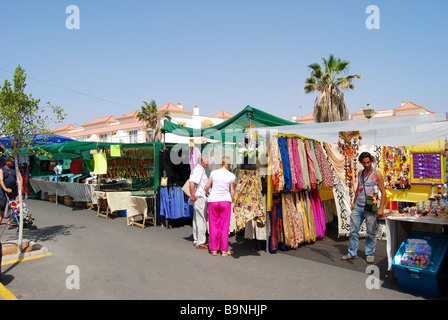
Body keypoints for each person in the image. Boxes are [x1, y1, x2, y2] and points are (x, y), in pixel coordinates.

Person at [341, 152, 386, 264]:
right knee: (353, 230)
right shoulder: (360, 173)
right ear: (361, 162)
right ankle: (352, 253)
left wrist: (381, 208)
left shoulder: (377, 175)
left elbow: (383, 192)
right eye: (364, 162)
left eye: (368, 162)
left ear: (371, 161)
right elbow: (358, 189)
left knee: (371, 232)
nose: (366, 164)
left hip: (371, 207)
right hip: (358, 206)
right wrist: (354, 202)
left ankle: (369, 254)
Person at [204, 156, 236, 257]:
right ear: (229, 164)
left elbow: (207, 186)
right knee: (224, 226)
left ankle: (214, 249)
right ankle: (224, 250)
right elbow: (232, 191)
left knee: (213, 225)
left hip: (213, 200)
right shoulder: (231, 175)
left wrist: (206, 192)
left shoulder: (214, 173)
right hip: (225, 201)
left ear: (220, 163)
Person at [189, 154, 209, 249]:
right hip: (199, 197)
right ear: (202, 162)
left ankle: (196, 240)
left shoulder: (198, 169)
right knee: (201, 219)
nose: (208, 163)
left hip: (198, 197)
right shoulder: (199, 170)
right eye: (207, 161)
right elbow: (192, 182)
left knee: (197, 218)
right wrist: (193, 194)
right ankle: (201, 242)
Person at [0, 157, 22, 224]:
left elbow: (20, 177)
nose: (12, 163)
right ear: (7, 162)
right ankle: (0, 217)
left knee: (12, 204)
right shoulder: (2, 170)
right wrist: (5, 188)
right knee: (2, 204)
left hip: (13, 189)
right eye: (11, 161)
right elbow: (1, 180)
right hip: (4, 190)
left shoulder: (14, 170)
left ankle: (9, 220)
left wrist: (21, 187)